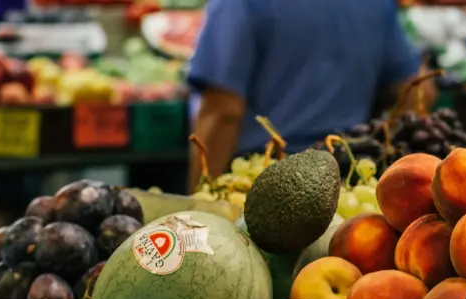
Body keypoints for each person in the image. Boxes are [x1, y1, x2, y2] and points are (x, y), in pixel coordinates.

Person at [186, 0, 436, 191]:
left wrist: (198, 203)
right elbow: (420, 92)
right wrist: (381, 145)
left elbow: (223, 111)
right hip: (345, 179)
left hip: (260, 183)